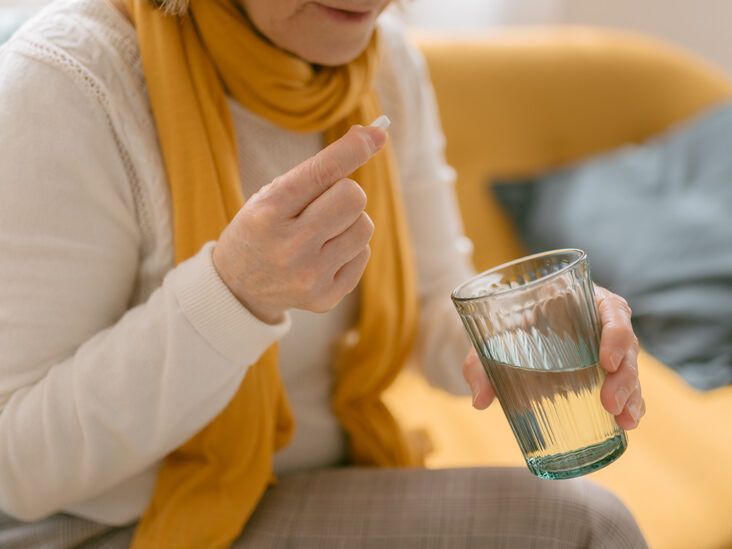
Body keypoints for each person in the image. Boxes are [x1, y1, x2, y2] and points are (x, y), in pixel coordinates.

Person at [0, 0, 647, 546]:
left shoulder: (385, 61)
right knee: (586, 528)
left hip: (308, 484)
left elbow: (435, 308)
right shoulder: (68, 80)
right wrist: (233, 294)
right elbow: (18, 468)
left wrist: (536, 333)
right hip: (108, 524)